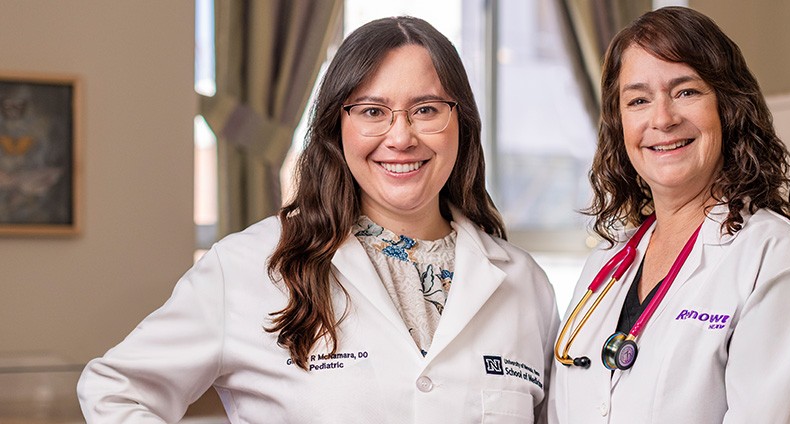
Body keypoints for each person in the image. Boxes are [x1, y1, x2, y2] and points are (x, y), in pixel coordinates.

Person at [78, 16, 559, 423]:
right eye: (372, 111)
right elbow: (115, 390)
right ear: (336, 128)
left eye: (426, 109)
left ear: (462, 123)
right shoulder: (250, 265)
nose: (401, 137)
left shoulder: (524, 286)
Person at [548, 6, 790, 423]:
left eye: (686, 91)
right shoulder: (608, 261)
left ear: (727, 107)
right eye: (638, 100)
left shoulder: (775, 259)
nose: (662, 118)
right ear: (619, 125)